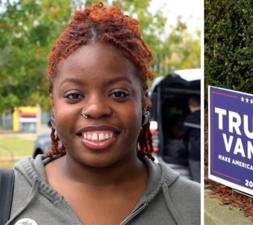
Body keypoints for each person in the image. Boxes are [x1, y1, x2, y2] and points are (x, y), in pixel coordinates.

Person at [6, 3, 200, 225]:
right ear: (54, 105)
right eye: (74, 95)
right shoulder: (8, 197)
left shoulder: (192, 206)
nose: (96, 109)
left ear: (144, 101)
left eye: (118, 93)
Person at [182, 96, 201, 182]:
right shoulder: (207, 114)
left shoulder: (189, 119)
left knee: (196, 177)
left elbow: (184, 135)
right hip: (207, 152)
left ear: (190, 106)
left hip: (195, 152)